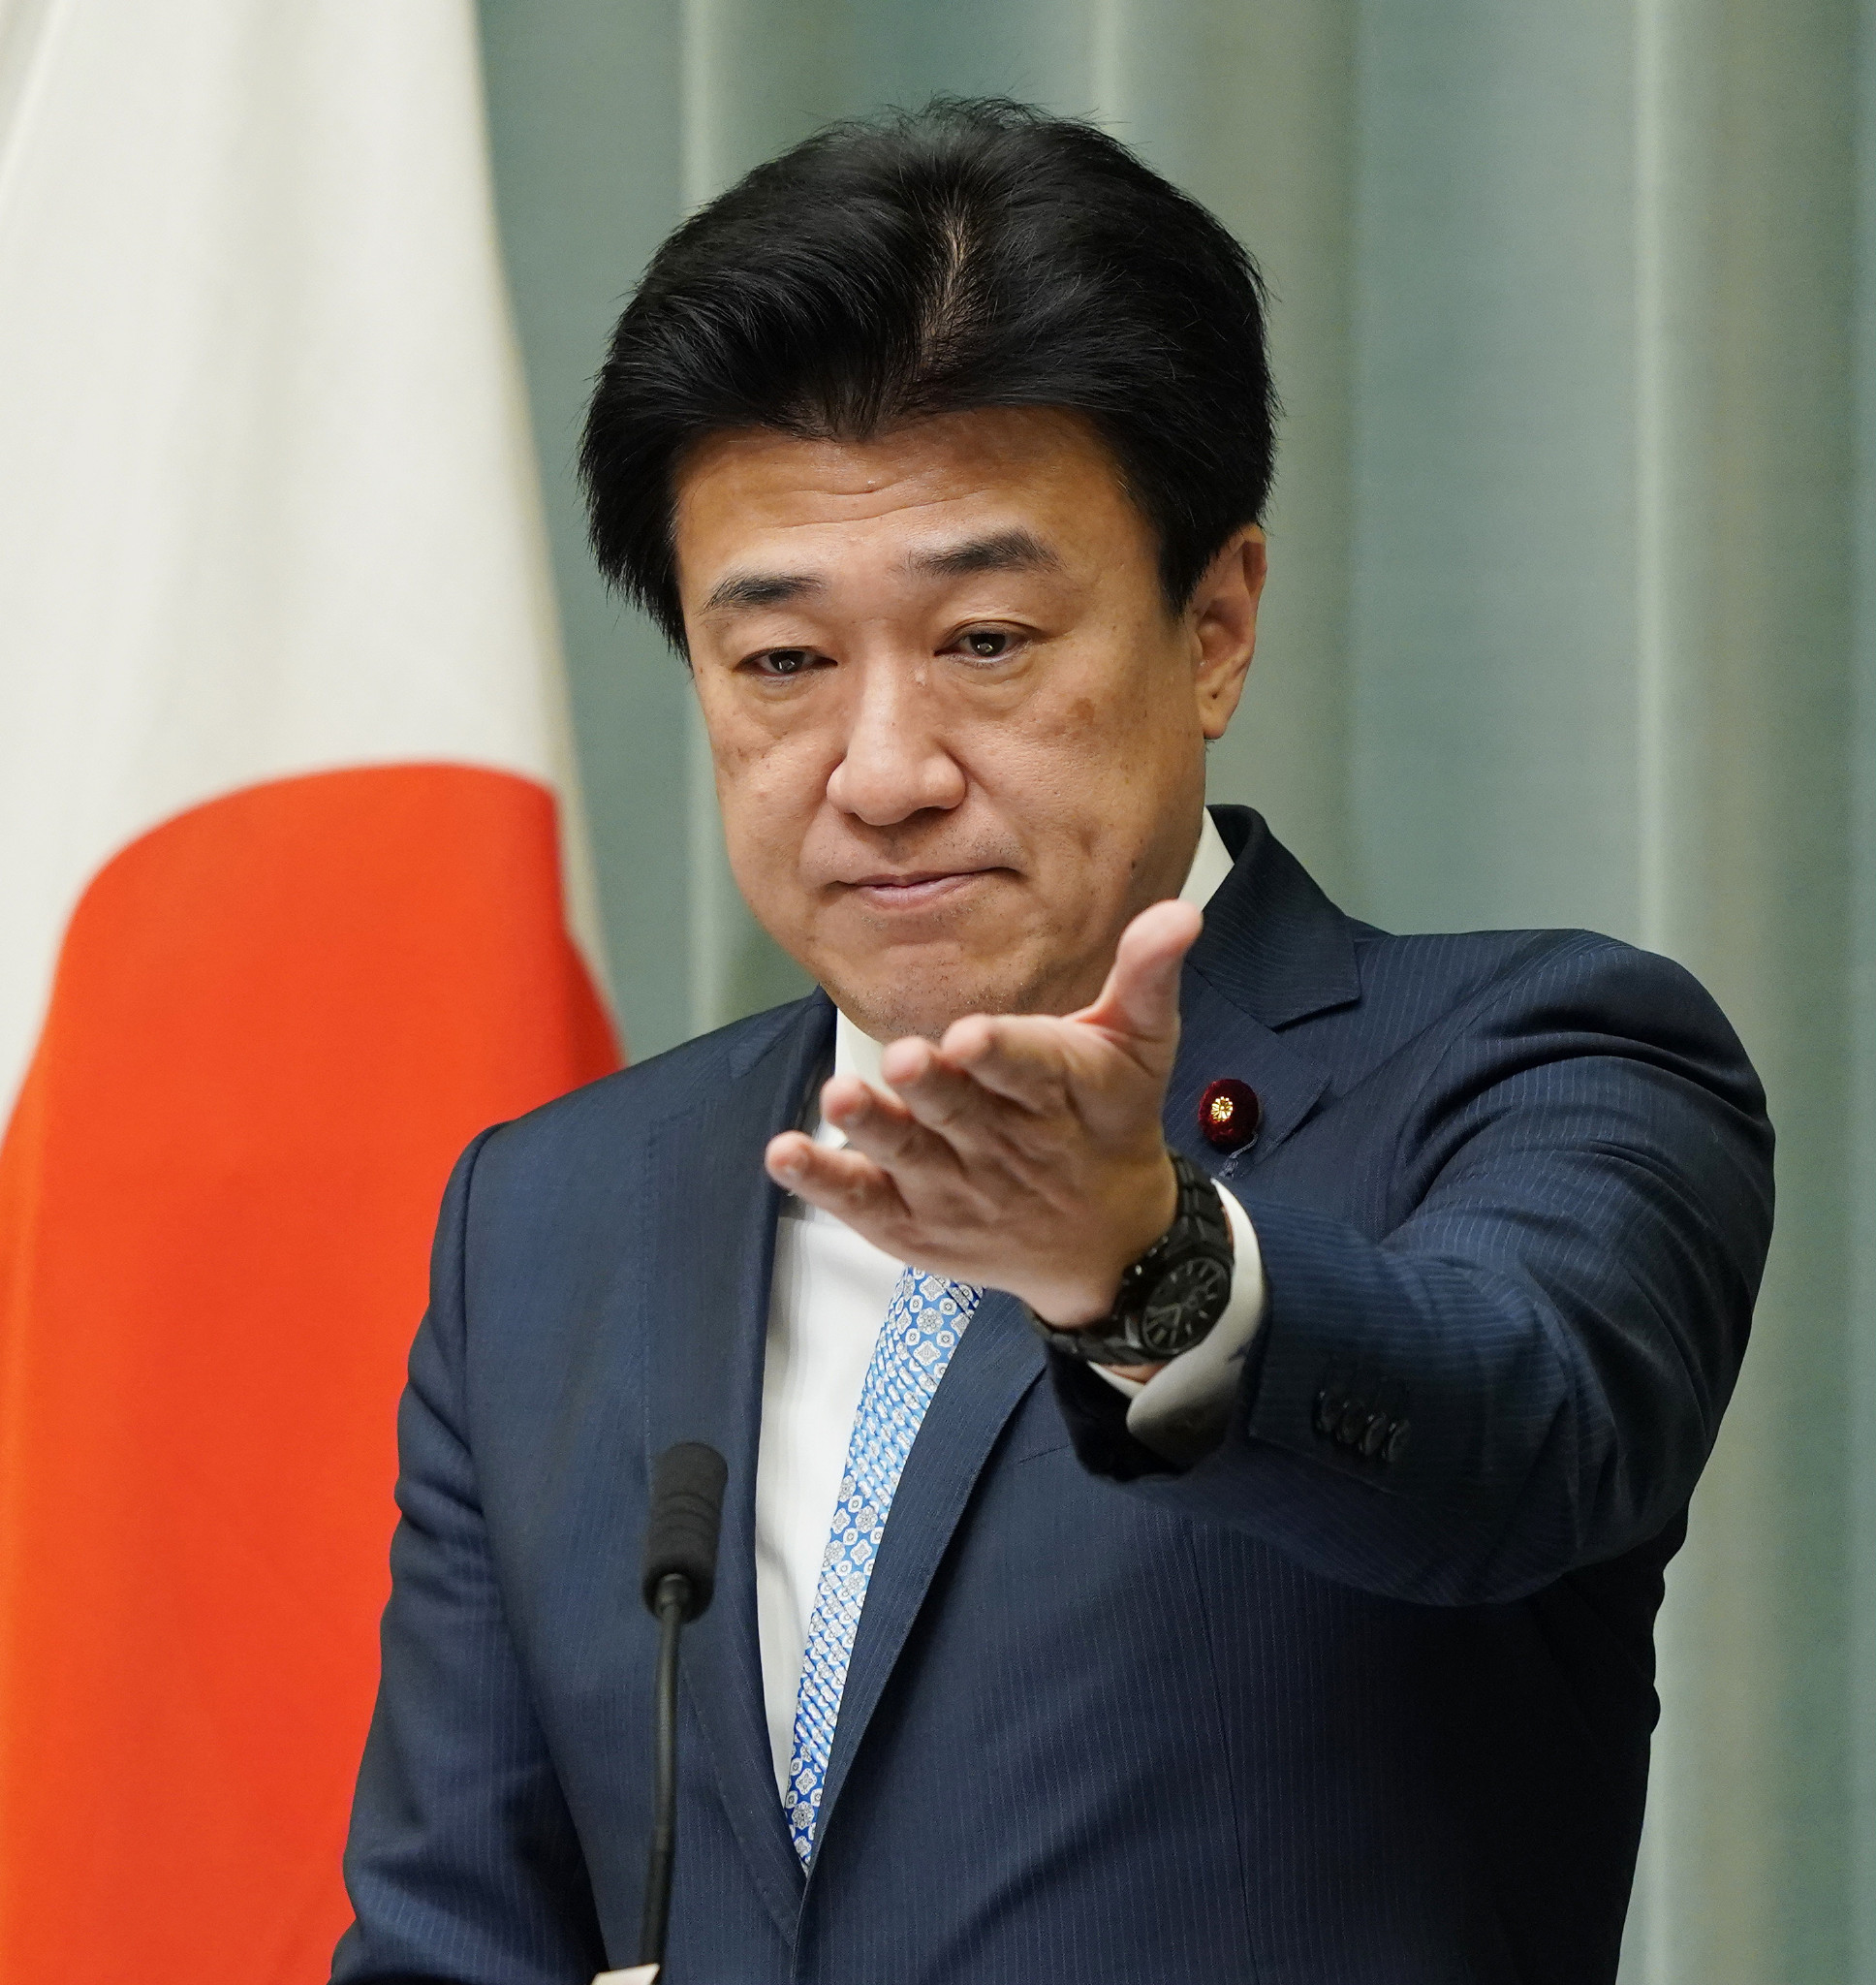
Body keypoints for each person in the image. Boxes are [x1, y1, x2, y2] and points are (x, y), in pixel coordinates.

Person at [330, 100, 1773, 1985]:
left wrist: (1145, 1268)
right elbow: (451, 1932)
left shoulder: (1541, 1066)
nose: (881, 771)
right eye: (781, 662)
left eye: (986, 640)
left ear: (1214, 627)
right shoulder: (551, 1217)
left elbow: (1521, 1437)